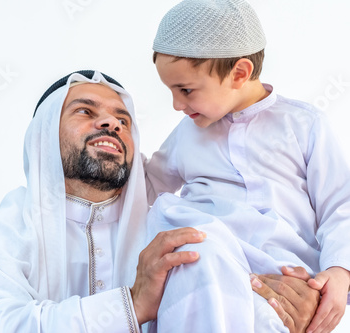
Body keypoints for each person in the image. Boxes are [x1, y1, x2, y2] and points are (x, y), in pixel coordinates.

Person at [0, 70, 318, 332]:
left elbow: (247, 285)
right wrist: (131, 306)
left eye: (123, 119)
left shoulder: (174, 230)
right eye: (85, 111)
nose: (111, 124)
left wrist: (287, 306)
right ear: (43, 135)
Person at [145, 0, 350, 332]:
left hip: (285, 283)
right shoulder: (186, 134)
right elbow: (146, 187)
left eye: (185, 90)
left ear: (240, 73)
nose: (176, 105)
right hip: (208, 273)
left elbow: (341, 205)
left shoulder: (303, 125)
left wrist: (340, 273)